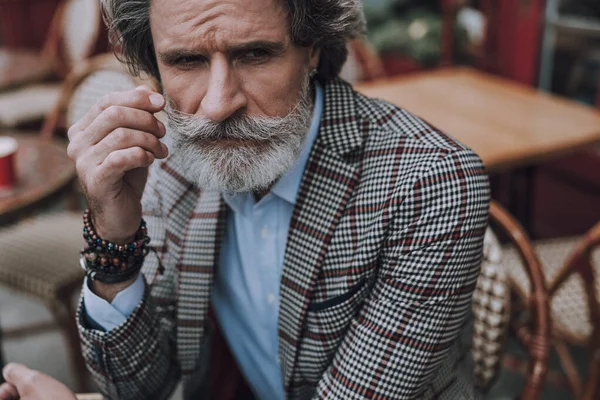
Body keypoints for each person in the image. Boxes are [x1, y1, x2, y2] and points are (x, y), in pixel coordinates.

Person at [65, 0, 491, 399]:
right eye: (186, 61)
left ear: (313, 49)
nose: (216, 106)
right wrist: (113, 239)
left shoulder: (430, 184)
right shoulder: (168, 161)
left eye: (254, 55)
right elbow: (140, 386)